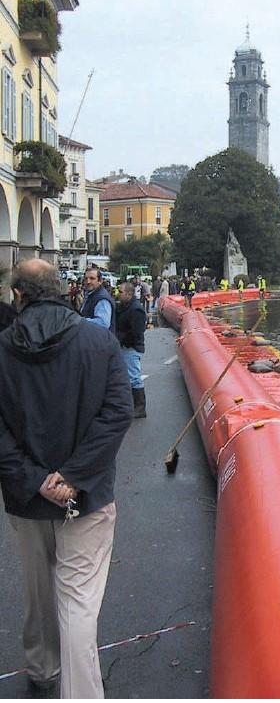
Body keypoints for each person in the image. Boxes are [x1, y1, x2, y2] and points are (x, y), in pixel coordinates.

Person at [0, 259, 133, 698]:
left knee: (39, 592)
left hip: (28, 499)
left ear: (18, 295)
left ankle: (41, 669)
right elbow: (117, 414)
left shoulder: (2, 349)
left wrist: (37, 480)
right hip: (87, 496)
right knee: (76, 603)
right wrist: (72, 476)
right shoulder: (98, 341)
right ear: (61, 289)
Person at [116, 281, 147, 418]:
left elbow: (136, 332)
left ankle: (140, 407)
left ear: (129, 294)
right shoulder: (124, 306)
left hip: (132, 347)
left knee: (134, 377)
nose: (118, 294)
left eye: (121, 292)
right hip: (125, 346)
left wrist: (122, 339)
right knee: (128, 376)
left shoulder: (136, 309)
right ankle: (131, 405)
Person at [80, 266, 116, 331]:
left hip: (100, 339)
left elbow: (103, 323)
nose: (88, 282)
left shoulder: (102, 299)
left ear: (100, 281)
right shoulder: (91, 295)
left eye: (92, 278)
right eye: (86, 278)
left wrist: (81, 320)